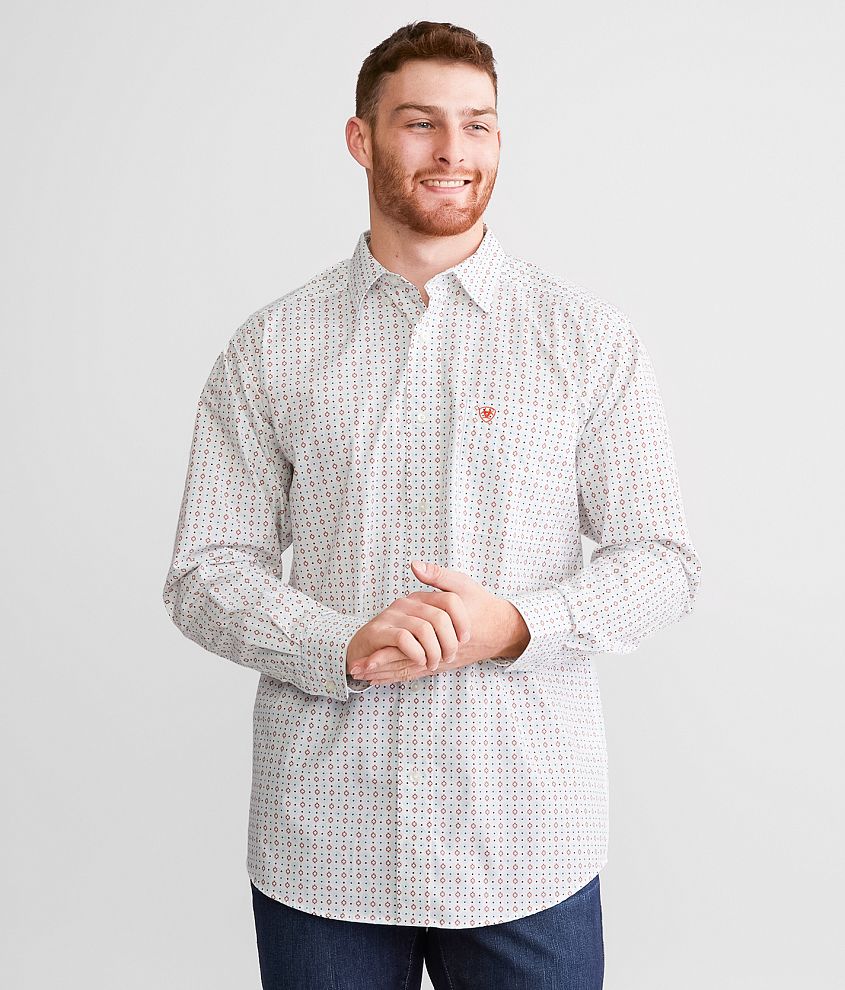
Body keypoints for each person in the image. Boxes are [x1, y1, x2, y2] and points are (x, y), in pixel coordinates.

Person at [162, 19, 702, 990]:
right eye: (420, 123)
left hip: (525, 838)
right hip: (324, 839)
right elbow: (205, 572)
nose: (454, 150)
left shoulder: (586, 340)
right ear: (361, 138)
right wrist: (336, 643)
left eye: (477, 124)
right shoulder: (271, 346)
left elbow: (661, 560)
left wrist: (518, 625)